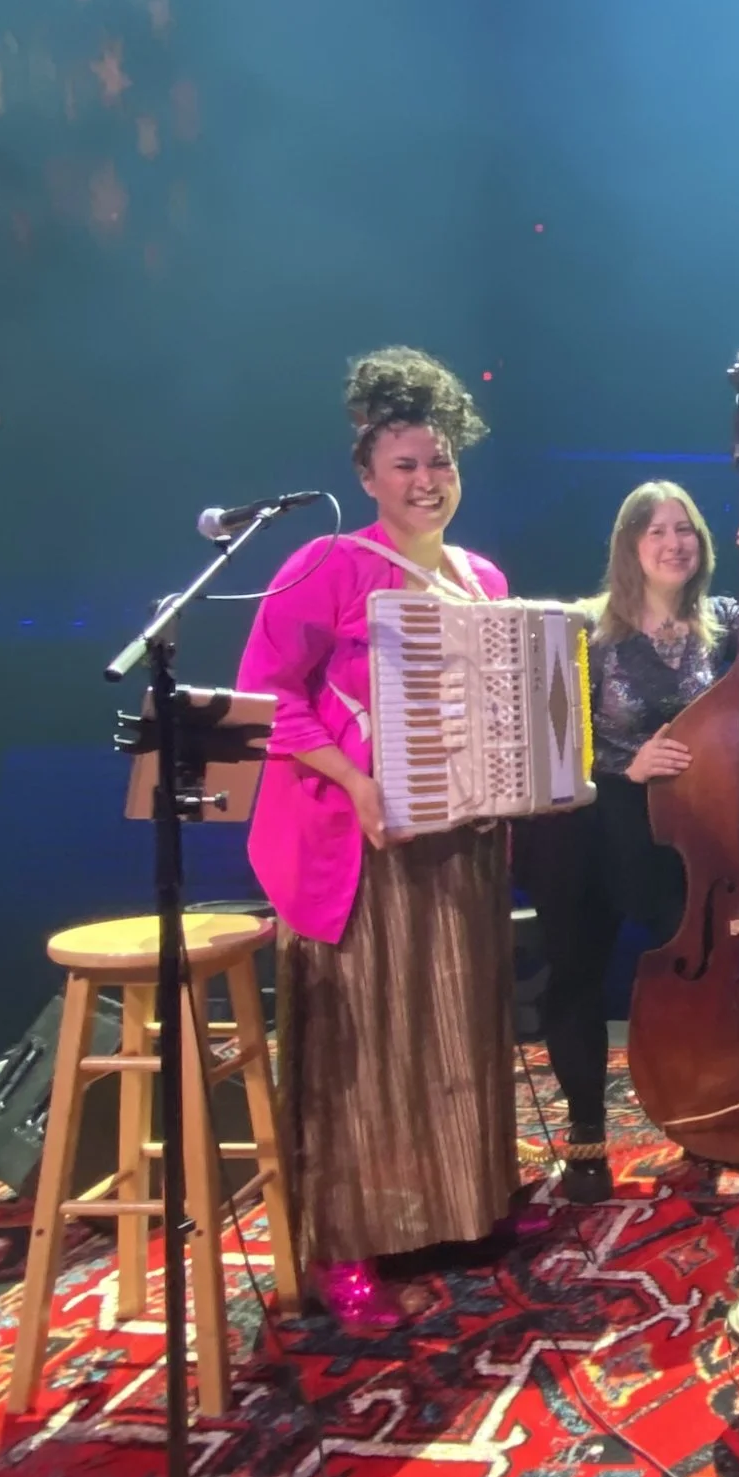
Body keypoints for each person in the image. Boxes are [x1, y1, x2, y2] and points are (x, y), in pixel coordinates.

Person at [237, 346, 518, 1323]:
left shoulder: (484, 579)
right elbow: (267, 695)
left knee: (453, 1032)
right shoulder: (326, 564)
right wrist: (356, 783)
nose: (426, 480)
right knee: (364, 1048)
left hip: (458, 844)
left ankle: (457, 1209)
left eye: (440, 461)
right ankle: (347, 1242)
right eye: (405, 464)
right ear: (366, 474)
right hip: (361, 847)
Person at [521, 480, 739, 1202]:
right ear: (629, 545)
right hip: (596, 827)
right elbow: (550, 739)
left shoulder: (728, 619)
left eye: (684, 529)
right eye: (655, 530)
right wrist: (625, 765)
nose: (673, 542)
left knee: (700, 986)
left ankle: (703, 1126)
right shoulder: (585, 627)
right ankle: (587, 1141)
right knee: (577, 976)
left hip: (688, 835)